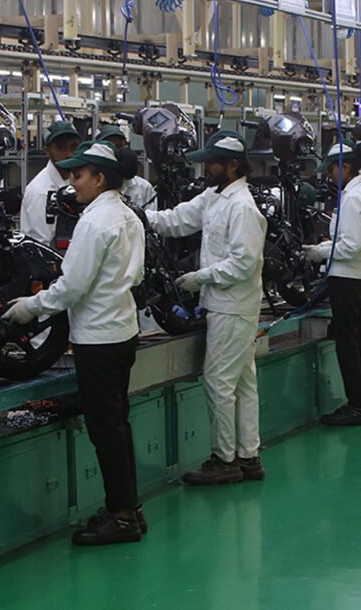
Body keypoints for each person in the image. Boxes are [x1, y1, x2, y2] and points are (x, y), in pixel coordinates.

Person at [2, 140, 146, 546]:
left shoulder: (94, 222)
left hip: (98, 339)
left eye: (79, 174)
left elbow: (72, 287)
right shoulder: (127, 216)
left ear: (99, 178)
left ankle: (121, 517)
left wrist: (30, 307)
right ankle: (128, 506)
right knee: (117, 424)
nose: (73, 182)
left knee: (105, 429)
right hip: (122, 331)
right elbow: (134, 277)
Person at [142, 131, 267, 484]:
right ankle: (248, 456)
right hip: (225, 304)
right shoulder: (214, 197)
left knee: (218, 381)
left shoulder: (242, 207)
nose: (205, 168)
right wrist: (140, 216)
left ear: (232, 165)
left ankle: (224, 460)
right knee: (242, 383)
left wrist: (201, 278)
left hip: (233, 306)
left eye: (211, 162)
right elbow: (178, 219)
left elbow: (244, 264)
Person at [303, 142, 361, 426]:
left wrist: (318, 251)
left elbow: (350, 245)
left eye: (331, 170)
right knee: (360, 340)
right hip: (360, 276)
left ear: (344, 167)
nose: (328, 176)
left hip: (347, 278)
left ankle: (356, 406)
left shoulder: (352, 198)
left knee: (348, 343)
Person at [20, 120, 80, 246]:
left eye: (73, 147)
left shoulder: (75, 179)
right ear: (48, 151)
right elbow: (42, 244)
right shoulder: (41, 192)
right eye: (61, 148)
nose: (69, 154)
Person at [98, 126, 157, 212]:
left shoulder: (143, 187)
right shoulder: (92, 188)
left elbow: (152, 222)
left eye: (120, 146)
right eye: (110, 147)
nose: (116, 151)